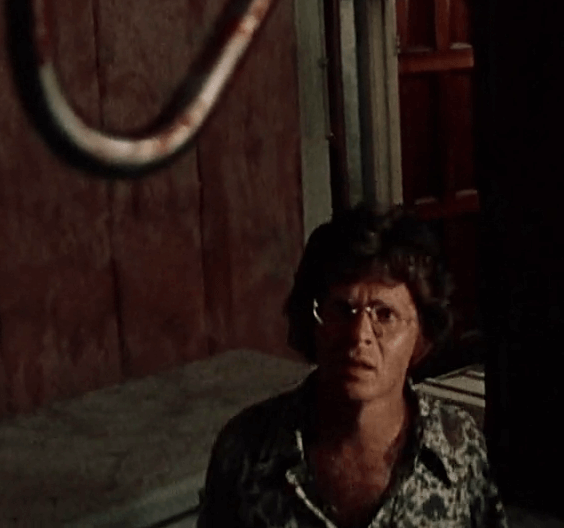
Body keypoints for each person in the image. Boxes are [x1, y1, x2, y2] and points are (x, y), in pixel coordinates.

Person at [195, 204, 508, 528]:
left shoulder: (457, 446)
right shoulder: (247, 450)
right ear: (312, 322)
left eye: (385, 315)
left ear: (421, 335)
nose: (359, 336)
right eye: (342, 310)